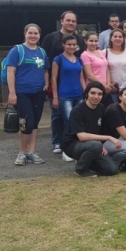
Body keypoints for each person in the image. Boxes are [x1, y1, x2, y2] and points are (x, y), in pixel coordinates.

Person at [41, 10, 86, 155]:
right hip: (57, 83)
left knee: (74, 116)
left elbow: (81, 63)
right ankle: (57, 142)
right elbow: (44, 60)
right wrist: (46, 82)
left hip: (75, 82)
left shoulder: (79, 39)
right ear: (61, 21)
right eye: (68, 20)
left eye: (73, 21)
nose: (71, 23)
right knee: (57, 115)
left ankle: (73, 141)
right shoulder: (51, 38)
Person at [61, 82, 126, 177]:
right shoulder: (77, 111)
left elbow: (101, 129)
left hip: (92, 144)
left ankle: (89, 163)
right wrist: (107, 139)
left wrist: (100, 145)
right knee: (95, 145)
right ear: (87, 93)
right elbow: (81, 136)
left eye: (99, 94)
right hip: (72, 145)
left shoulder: (101, 107)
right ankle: (80, 170)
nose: (96, 96)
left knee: (112, 170)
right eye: (93, 93)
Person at [7, 23, 49, 166]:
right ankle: (21, 153)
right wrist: (12, 92)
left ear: (39, 35)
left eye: (36, 33)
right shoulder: (17, 50)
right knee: (26, 122)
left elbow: (45, 70)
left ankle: (32, 152)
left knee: (35, 122)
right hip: (22, 92)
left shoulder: (42, 52)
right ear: (25, 34)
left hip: (38, 92)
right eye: (30, 33)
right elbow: (10, 71)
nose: (33, 36)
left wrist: (47, 84)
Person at [50, 34, 85, 161]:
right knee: (68, 121)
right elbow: (53, 79)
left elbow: (81, 78)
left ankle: (77, 145)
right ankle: (67, 148)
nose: (71, 47)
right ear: (63, 45)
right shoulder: (58, 59)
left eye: (73, 45)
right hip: (65, 95)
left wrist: (85, 92)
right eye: (69, 44)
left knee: (78, 121)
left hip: (78, 95)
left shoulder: (79, 59)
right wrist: (55, 96)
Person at [104, 29, 126, 103]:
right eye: (115, 36)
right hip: (113, 88)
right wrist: (109, 84)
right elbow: (104, 70)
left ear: (123, 39)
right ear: (111, 38)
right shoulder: (104, 52)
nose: (117, 38)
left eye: (120, 37)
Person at [81, 32, 113, 106]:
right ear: (86, 41)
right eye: (91, 41)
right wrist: (104, 86)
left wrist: (108, 84)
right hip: (94, 88)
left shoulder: (100, 52)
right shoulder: (85, 55)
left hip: (106, 89)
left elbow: (106, 69)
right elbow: (89, 75)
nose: (94, 43)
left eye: (96, 41)